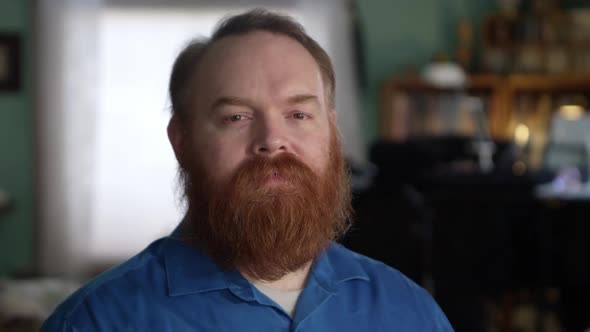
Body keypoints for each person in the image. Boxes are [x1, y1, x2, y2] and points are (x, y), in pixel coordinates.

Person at [41, 9, 454, 331]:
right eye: (236, 117)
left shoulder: (411, 313)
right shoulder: (94, 323)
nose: (272, 139)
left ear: (333, 133)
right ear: (181, 142)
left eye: (298, 113)